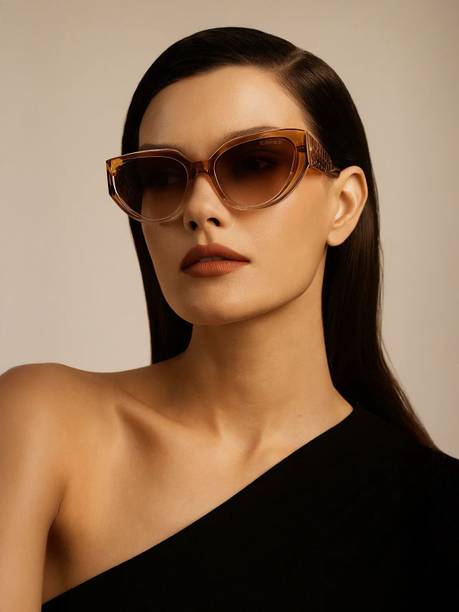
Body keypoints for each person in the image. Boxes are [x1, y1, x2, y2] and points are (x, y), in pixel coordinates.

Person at [0, 26, 457, 611]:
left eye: (256, 163)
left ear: (342, 205)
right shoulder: (43, 422)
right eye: (163, 176)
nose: (198, 208)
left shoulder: (435, 512)